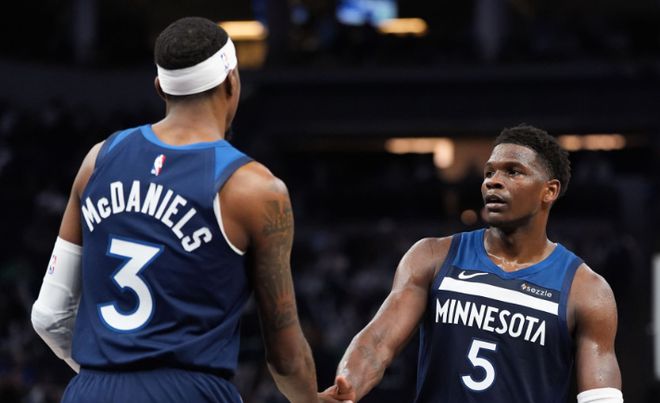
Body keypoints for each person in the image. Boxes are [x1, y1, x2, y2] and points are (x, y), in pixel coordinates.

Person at [30, 16, 347, 403]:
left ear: (160, 87)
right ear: (232, 81)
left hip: (92, 389)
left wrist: (110, 378)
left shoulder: (98, 160)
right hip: (190, 390)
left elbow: (49, 316)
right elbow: (285, 359)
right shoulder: (255, 189)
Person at [321, 124, 623, 402]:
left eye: (513, 171)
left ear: (549, 191)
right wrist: (347, 386)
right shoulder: (432, 256)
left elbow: (601, 397)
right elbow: (377, 343)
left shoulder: (586, 290)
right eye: (489, 172)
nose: (493, 181)